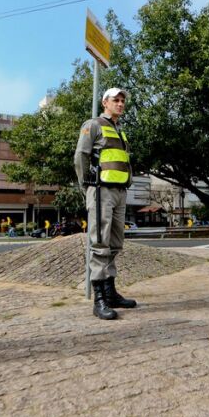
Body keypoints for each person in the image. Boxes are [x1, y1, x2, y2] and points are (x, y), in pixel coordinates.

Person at [74, 88, 137, 320]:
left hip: (119, 191)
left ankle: (110, 293)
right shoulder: (93, 125)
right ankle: (99, 298)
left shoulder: (119, 130)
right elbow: (80, 155)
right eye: (116, 100)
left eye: (122, 101)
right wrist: (85, 187)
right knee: (100, 242)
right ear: (104, 102)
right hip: (101, 191)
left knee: (115, 242)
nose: (120, 104)